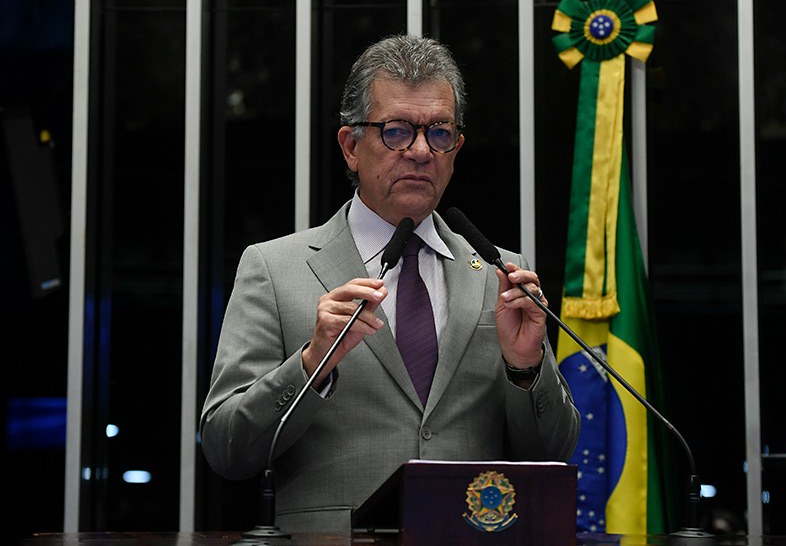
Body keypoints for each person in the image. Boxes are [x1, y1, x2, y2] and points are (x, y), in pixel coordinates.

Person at [200, 34, 580, 534]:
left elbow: (551, 453)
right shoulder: (274, 268)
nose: (421, 151)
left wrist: (526, 369)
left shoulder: (502, 275)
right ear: (351, 146)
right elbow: (227, 449)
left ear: (456, 148)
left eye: (439, 133)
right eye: (397, 131)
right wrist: (312, 364)